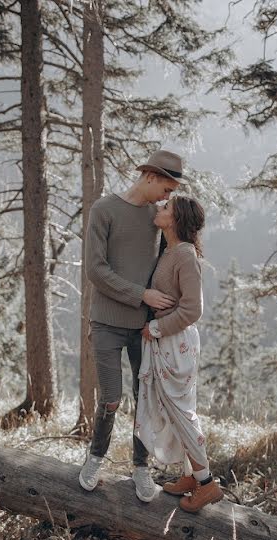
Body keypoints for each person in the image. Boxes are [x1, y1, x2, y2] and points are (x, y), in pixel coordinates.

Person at [78, 149, 185, 502]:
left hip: (145, 328)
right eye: (167, 189)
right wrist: (142, 295)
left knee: (144, 400)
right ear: (150, 176)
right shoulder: (104, 209)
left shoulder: (158, 218)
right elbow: (96, 270)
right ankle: (95, 458)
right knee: (111, 399)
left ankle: (140, 468)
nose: (168, 198)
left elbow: (168, 263)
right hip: (107, 322)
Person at [135, 196, 224, 513]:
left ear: (176, 219)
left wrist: (157, 329)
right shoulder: (170, 250)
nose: (159, 209)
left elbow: (193, 310)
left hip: (176, 342)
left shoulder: (185, 255)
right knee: (176, 410)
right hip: (168, 342)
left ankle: (208, 483)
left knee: (182, 412)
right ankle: (190, 475)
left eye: (166, 208)